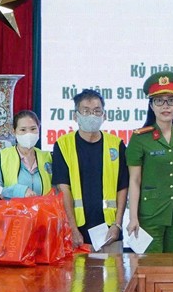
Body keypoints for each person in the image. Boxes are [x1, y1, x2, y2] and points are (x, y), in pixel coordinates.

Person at [126, 72, 173, 253]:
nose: (166, 106)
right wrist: (133, 217)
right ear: (151, 105)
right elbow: (134, 180)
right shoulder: (140, 138)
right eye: (159, 101)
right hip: (150, 214)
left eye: (171, 100)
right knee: (151, 265)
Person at [52, 90, 129, 252]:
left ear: (104, 115)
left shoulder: (116, 145)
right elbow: (63, 190)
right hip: (78, 232)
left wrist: (117, 225)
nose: (92, 115)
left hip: (110, 231)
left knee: (114, 269)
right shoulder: (63, 145)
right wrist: (72, 228)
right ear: (76, 116)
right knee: (77, 269)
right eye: (86, 111)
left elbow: (122, 187)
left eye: (96, 111)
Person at [0, 110, 52, 199]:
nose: (29, 134)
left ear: (39, 129)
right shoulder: (1, 157)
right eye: (23, 130)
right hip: (11, 208)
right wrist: (19, 191)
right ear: (14, 132)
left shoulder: (48, 157)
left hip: (44, 208)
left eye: (33, 129)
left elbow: (57, 189)